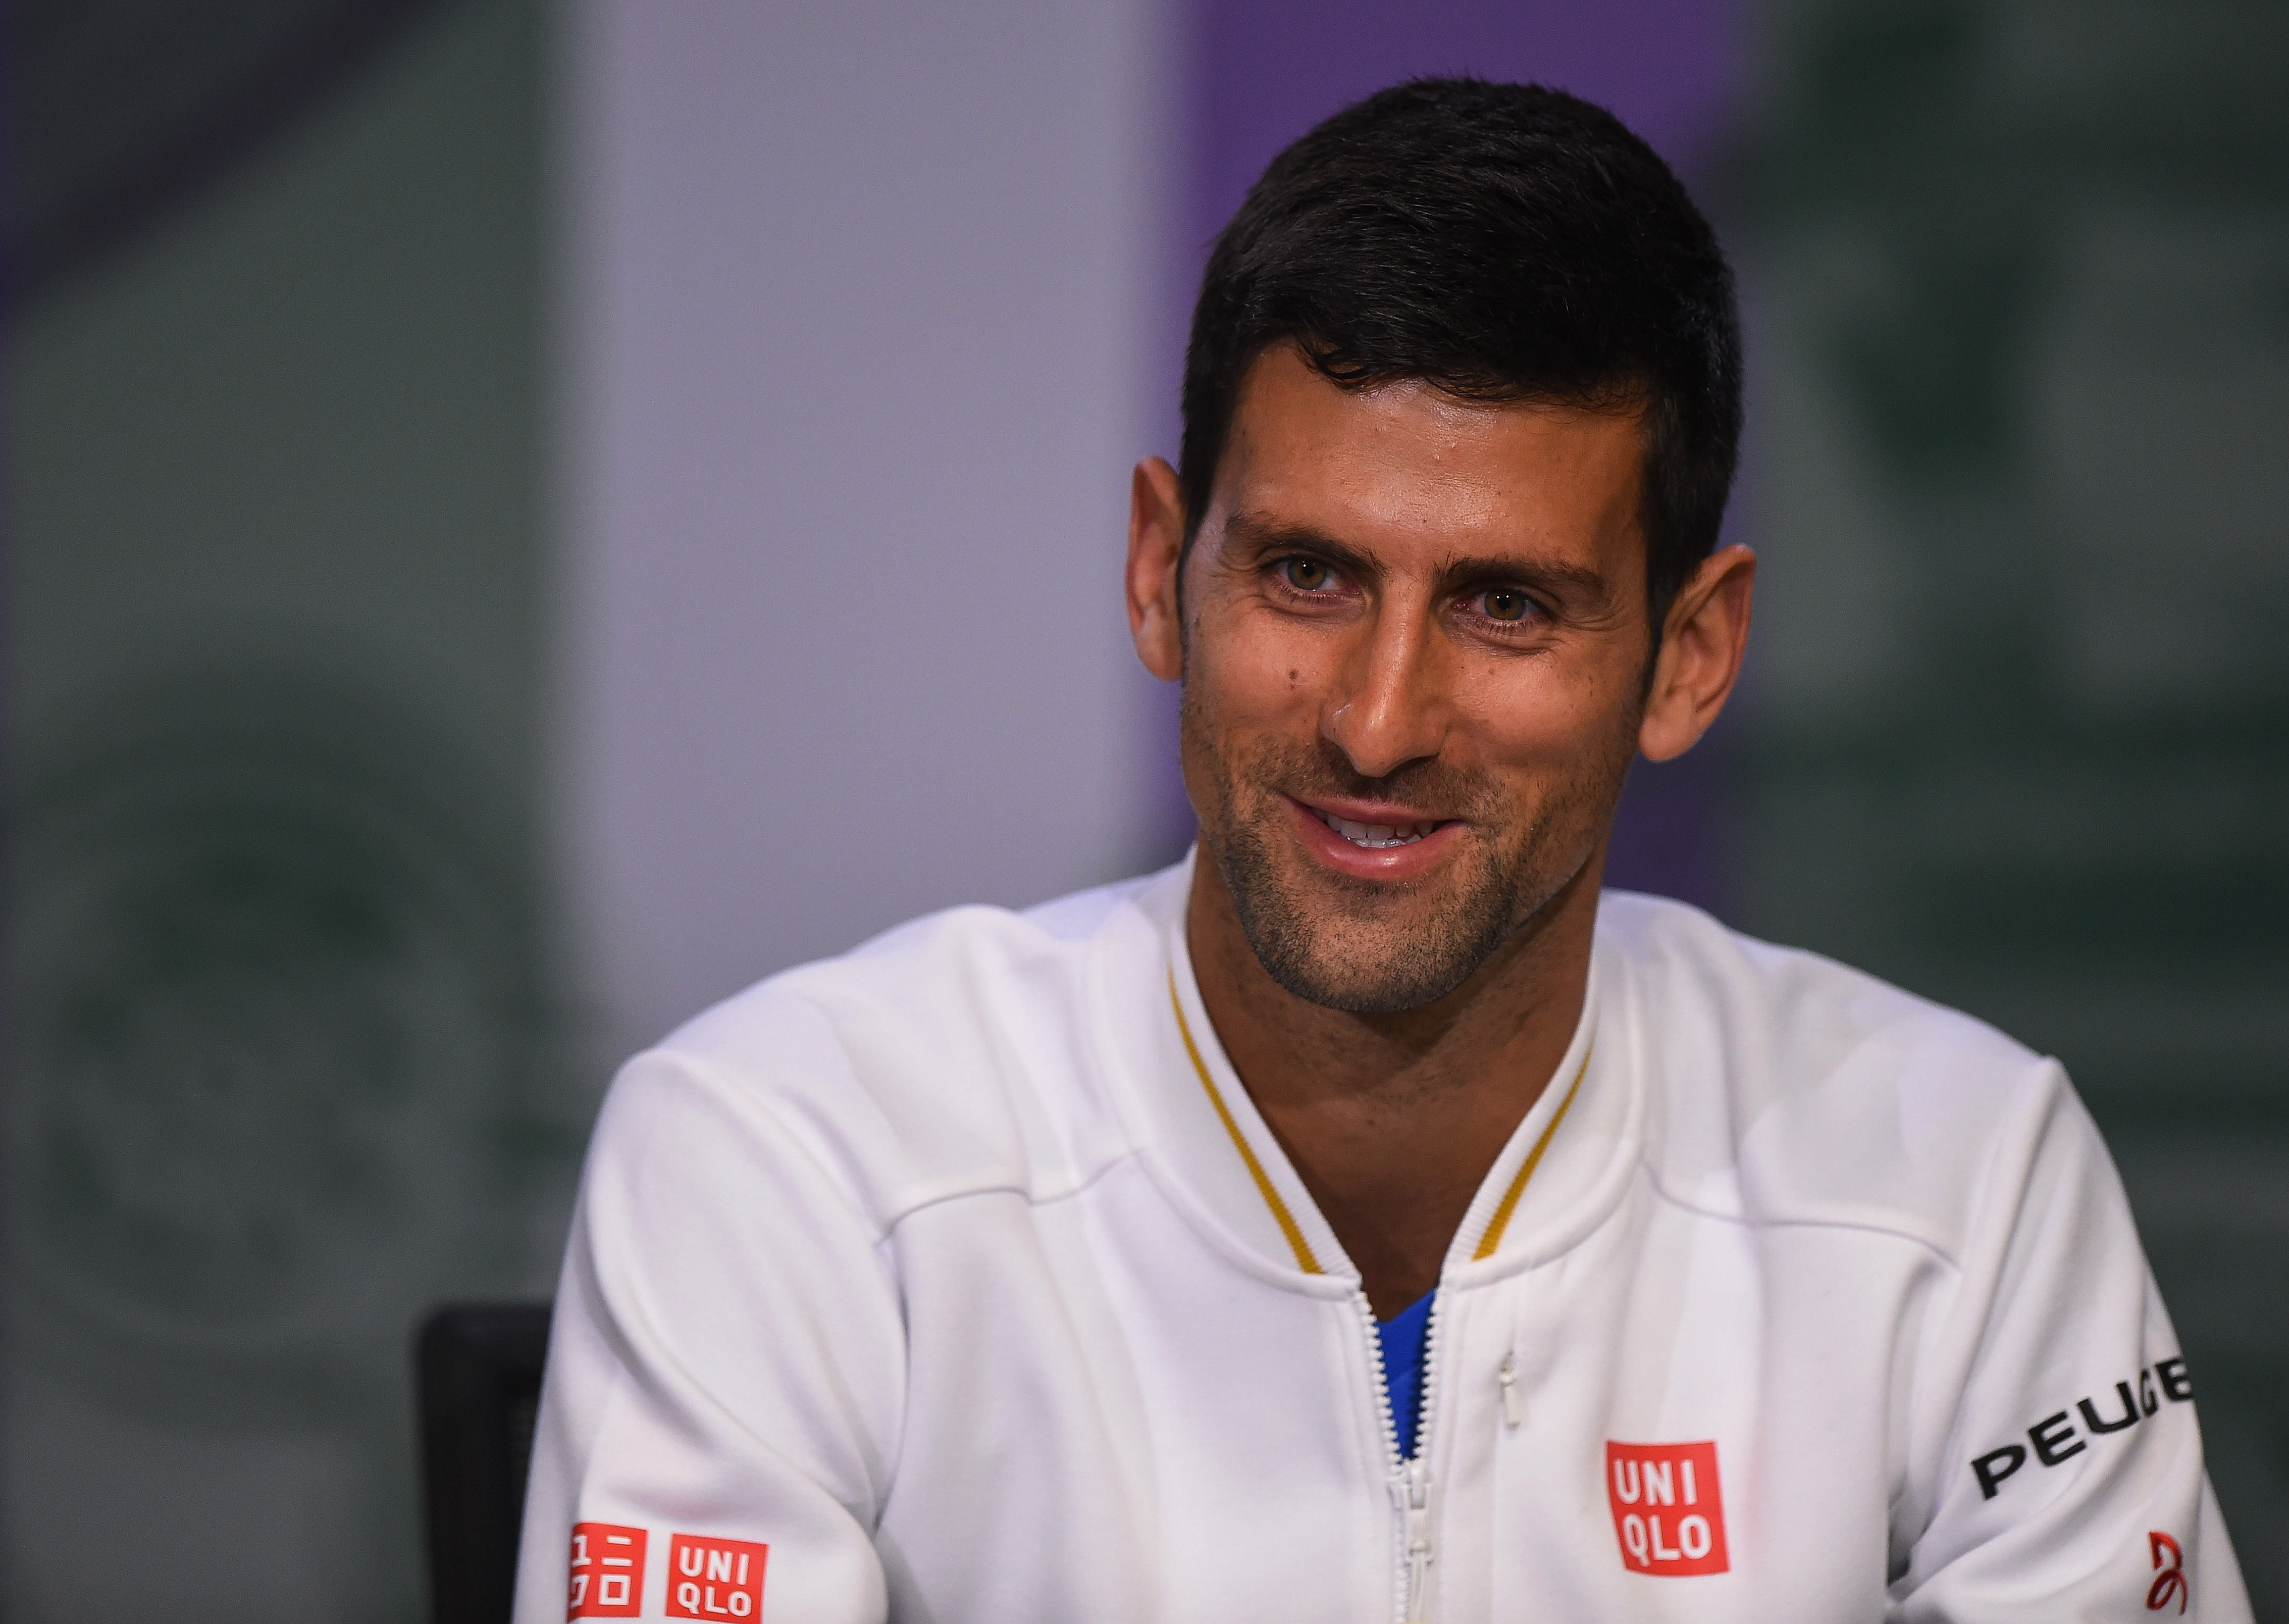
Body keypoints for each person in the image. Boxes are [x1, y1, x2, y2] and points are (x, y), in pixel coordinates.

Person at [515, 79, 2250, 1623]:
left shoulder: (1963, 1181)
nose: (1376, 718)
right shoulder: (782, 1167)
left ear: (1692, 657)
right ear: (1156, 569)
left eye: (1506, 607)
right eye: (1307, 575)